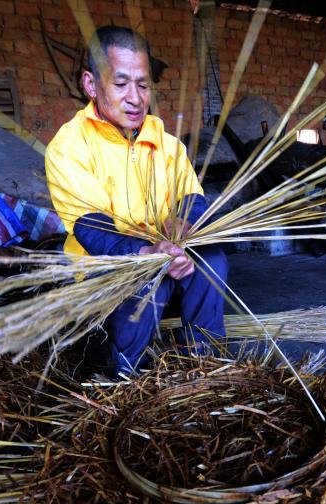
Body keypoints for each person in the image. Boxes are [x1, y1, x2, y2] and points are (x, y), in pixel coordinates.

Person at [45, 26, 228, 375]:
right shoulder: (68, 147)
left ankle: (205, 365)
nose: (135, 97)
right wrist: (147, 255)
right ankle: (129, 380)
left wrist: (183, 232)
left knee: (212, 262)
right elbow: (92, 229)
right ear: (91, 85)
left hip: (165, 251)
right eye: (121, 83)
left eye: (143, 85)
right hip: (104, 266)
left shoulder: (166, 142)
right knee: (145, 284)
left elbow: (191, 197)